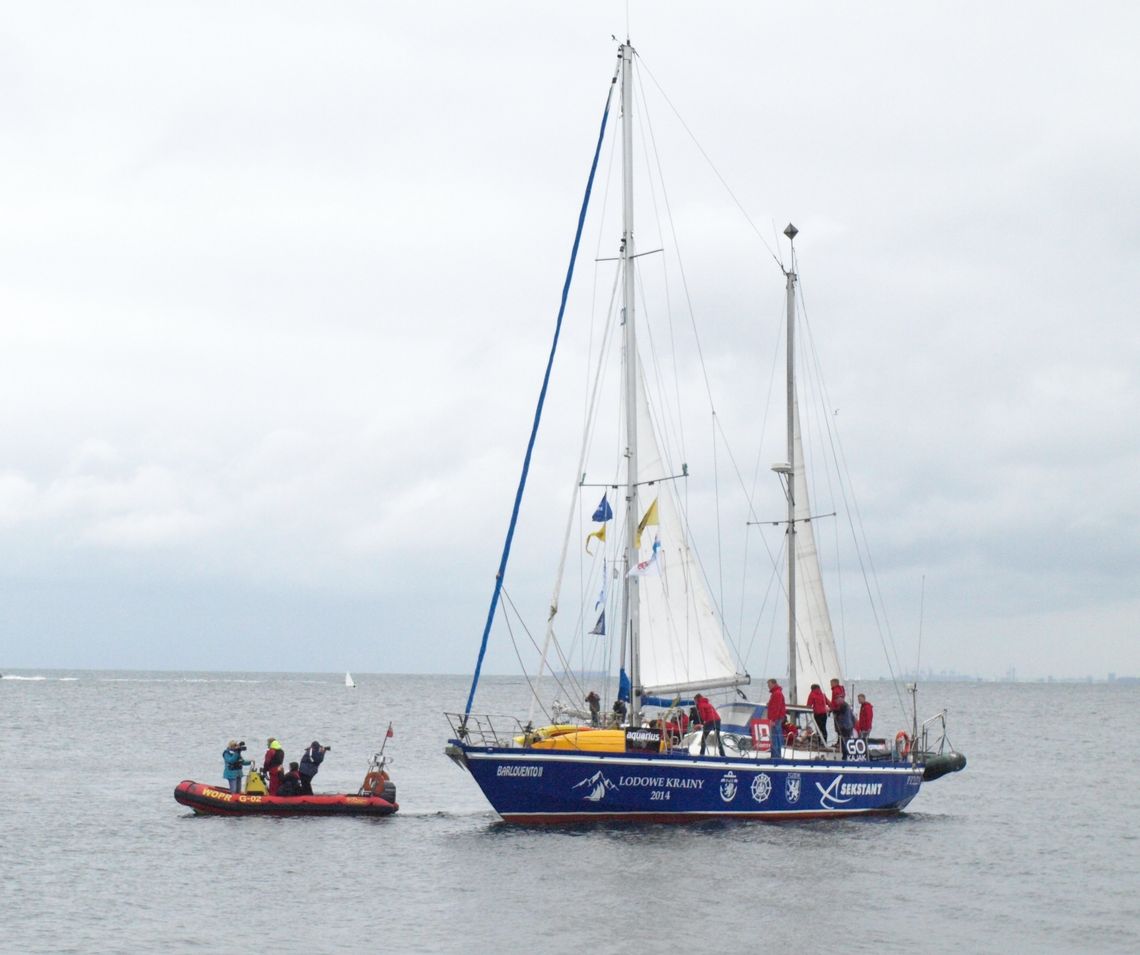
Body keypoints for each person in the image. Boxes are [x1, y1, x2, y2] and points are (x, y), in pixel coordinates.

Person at [766, 679, 787, 758]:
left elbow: (776, 708)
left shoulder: (777, 694)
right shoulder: (777, 693)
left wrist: (773, 720)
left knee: (775, 738)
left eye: (769, 684)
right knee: (776, 737)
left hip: (776, 719)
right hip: (777, 718)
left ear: (773, 684)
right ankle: (777, 755)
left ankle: (776, 756)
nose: (768, 686)